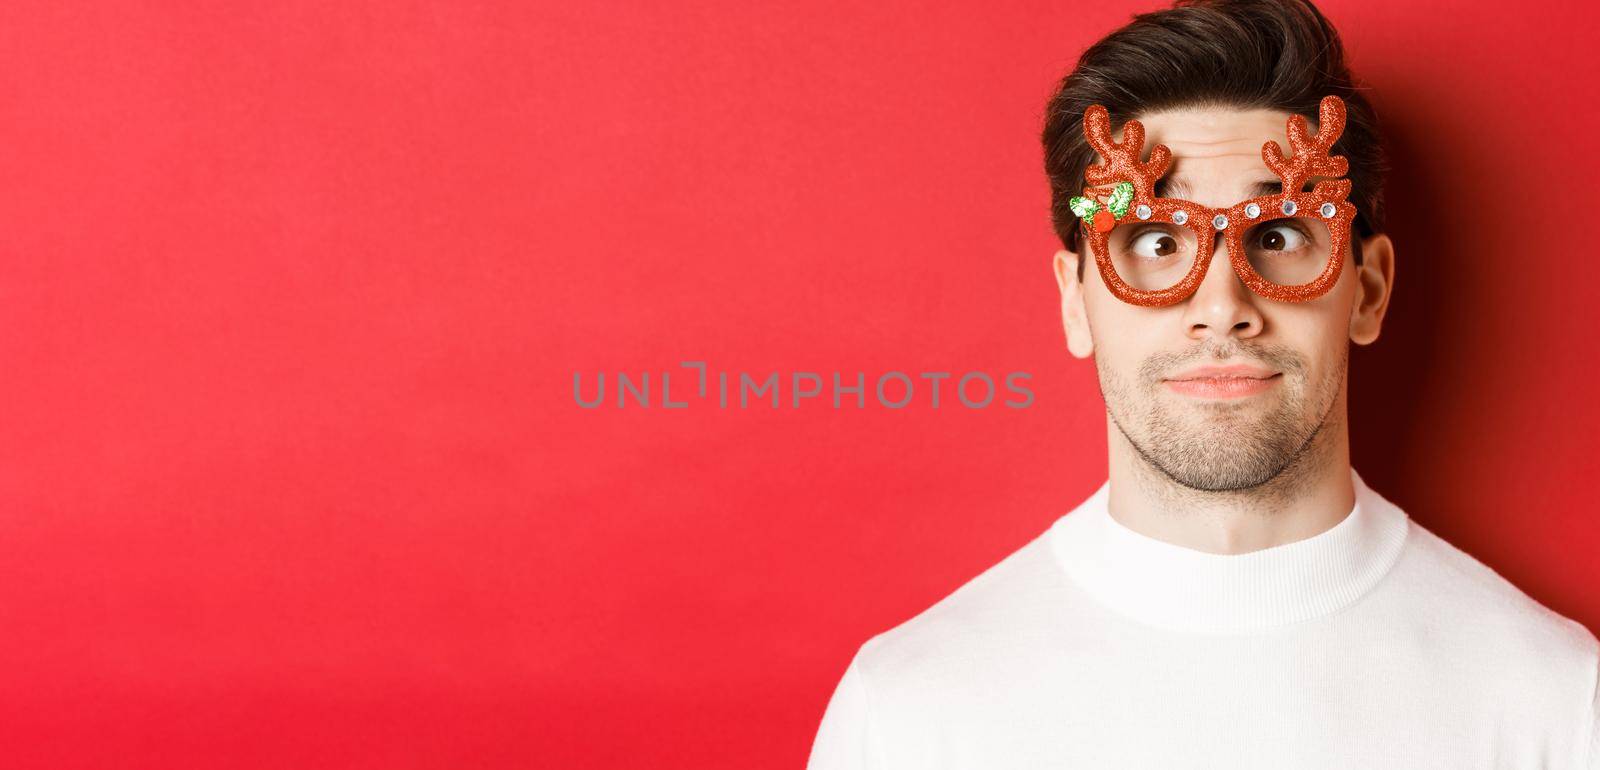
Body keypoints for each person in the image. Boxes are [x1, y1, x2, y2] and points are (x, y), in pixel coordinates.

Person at [804, 0, 1600, 767]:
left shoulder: (1559, 705)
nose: (1221, 309)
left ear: (1369, 289)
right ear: (1074, 301)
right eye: (1154, 240)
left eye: (1281, 234)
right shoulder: (909, 716)